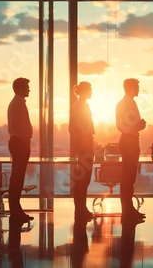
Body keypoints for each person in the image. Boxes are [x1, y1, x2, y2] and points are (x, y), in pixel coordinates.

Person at [116, 78, 146, 220]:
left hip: (133, 140)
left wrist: (139, 125)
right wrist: (136, 127)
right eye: (137, 87)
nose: (139, 90)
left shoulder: (131, 103)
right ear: (131, 88)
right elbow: (120, 125)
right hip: (128, 141)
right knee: (127, 177)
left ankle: (129, 210)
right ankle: (126, 212)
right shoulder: (123, 104)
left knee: (130, 177)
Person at [7, 77, 34, 223]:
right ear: (19, 89)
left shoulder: (18, 103)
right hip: (19, 143)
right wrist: (24, 141)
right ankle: (15, 212)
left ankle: (16, 211)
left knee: (18, 178)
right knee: (17, 178)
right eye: (26, 87)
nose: (29, 89)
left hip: (20, 142)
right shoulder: (17, 103)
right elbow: (17, 127)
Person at [69, 82, 95, 220]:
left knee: (84, 179)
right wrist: (82, 139)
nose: (92, 92)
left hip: (86, 142)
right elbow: (72, 126)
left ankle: (81, 209)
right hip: (84, 143)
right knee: (83, 180)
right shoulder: (79, 106)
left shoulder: (82, 105)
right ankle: (80, 209)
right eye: (90, 90)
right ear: (84, 91)